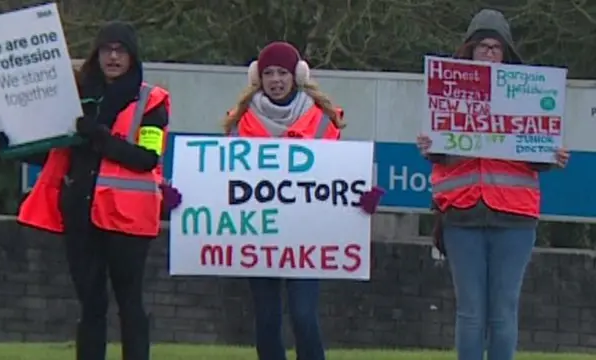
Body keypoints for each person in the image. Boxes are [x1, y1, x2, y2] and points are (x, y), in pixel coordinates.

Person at [0, 21, 180, 360]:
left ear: (132, 57)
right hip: (81, 213)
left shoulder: (151, 103)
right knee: (90, 304)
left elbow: (146, 157)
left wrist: (99, 137)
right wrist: (11, 143)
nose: (112, 56)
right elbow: (54, 151)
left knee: (129, 304)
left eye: (120, 50)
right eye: (106, 49)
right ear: (96, 54)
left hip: (128, 219)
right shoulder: (76, 97)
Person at [417, 9, 570, 360]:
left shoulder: (529, 95)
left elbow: (535, 155)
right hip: (461, 213)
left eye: (495, 47)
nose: (488, 53)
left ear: (506, 53)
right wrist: (430, 148)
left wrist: (552, 155)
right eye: (482, 46)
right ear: (469, 50)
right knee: (470, 312)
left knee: (503, 311)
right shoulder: (447, 90)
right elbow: (442, 153)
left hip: (514, 216)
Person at [222, 41, 383, 360]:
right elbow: (222, 178)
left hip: (307, 235)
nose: (276, 80)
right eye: (268, 73)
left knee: (303, 315)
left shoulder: (321, 119)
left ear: (297, 75)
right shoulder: (240, 121)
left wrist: (364, 195)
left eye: (282, 72)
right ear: (258, 77)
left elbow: (339, 174)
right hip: (259, 233)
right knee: (266, 319)